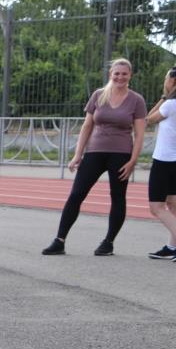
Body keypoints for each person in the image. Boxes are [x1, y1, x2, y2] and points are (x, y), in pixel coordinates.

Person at [42, 58, 147, 256]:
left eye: (124, 74)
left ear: (130, 76)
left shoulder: (137, 100)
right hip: (94, 152)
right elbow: (87, 126)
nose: (120, 77)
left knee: (117, 197)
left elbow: (140, 134)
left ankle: (108, 242)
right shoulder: (98, 95)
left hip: (121, 155)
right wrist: (77, 154)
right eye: (116, 73)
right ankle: (59, 241)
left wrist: (133, 161)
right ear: (110, 75)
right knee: (76, 194)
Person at [144, 66, 176, 261]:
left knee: (156, 207)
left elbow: (148, 119)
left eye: (166, 78)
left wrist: (164, 97)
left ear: (172, 81)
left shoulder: (169, 105)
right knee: (173, 205)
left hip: (165, 160)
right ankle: (172, 247)